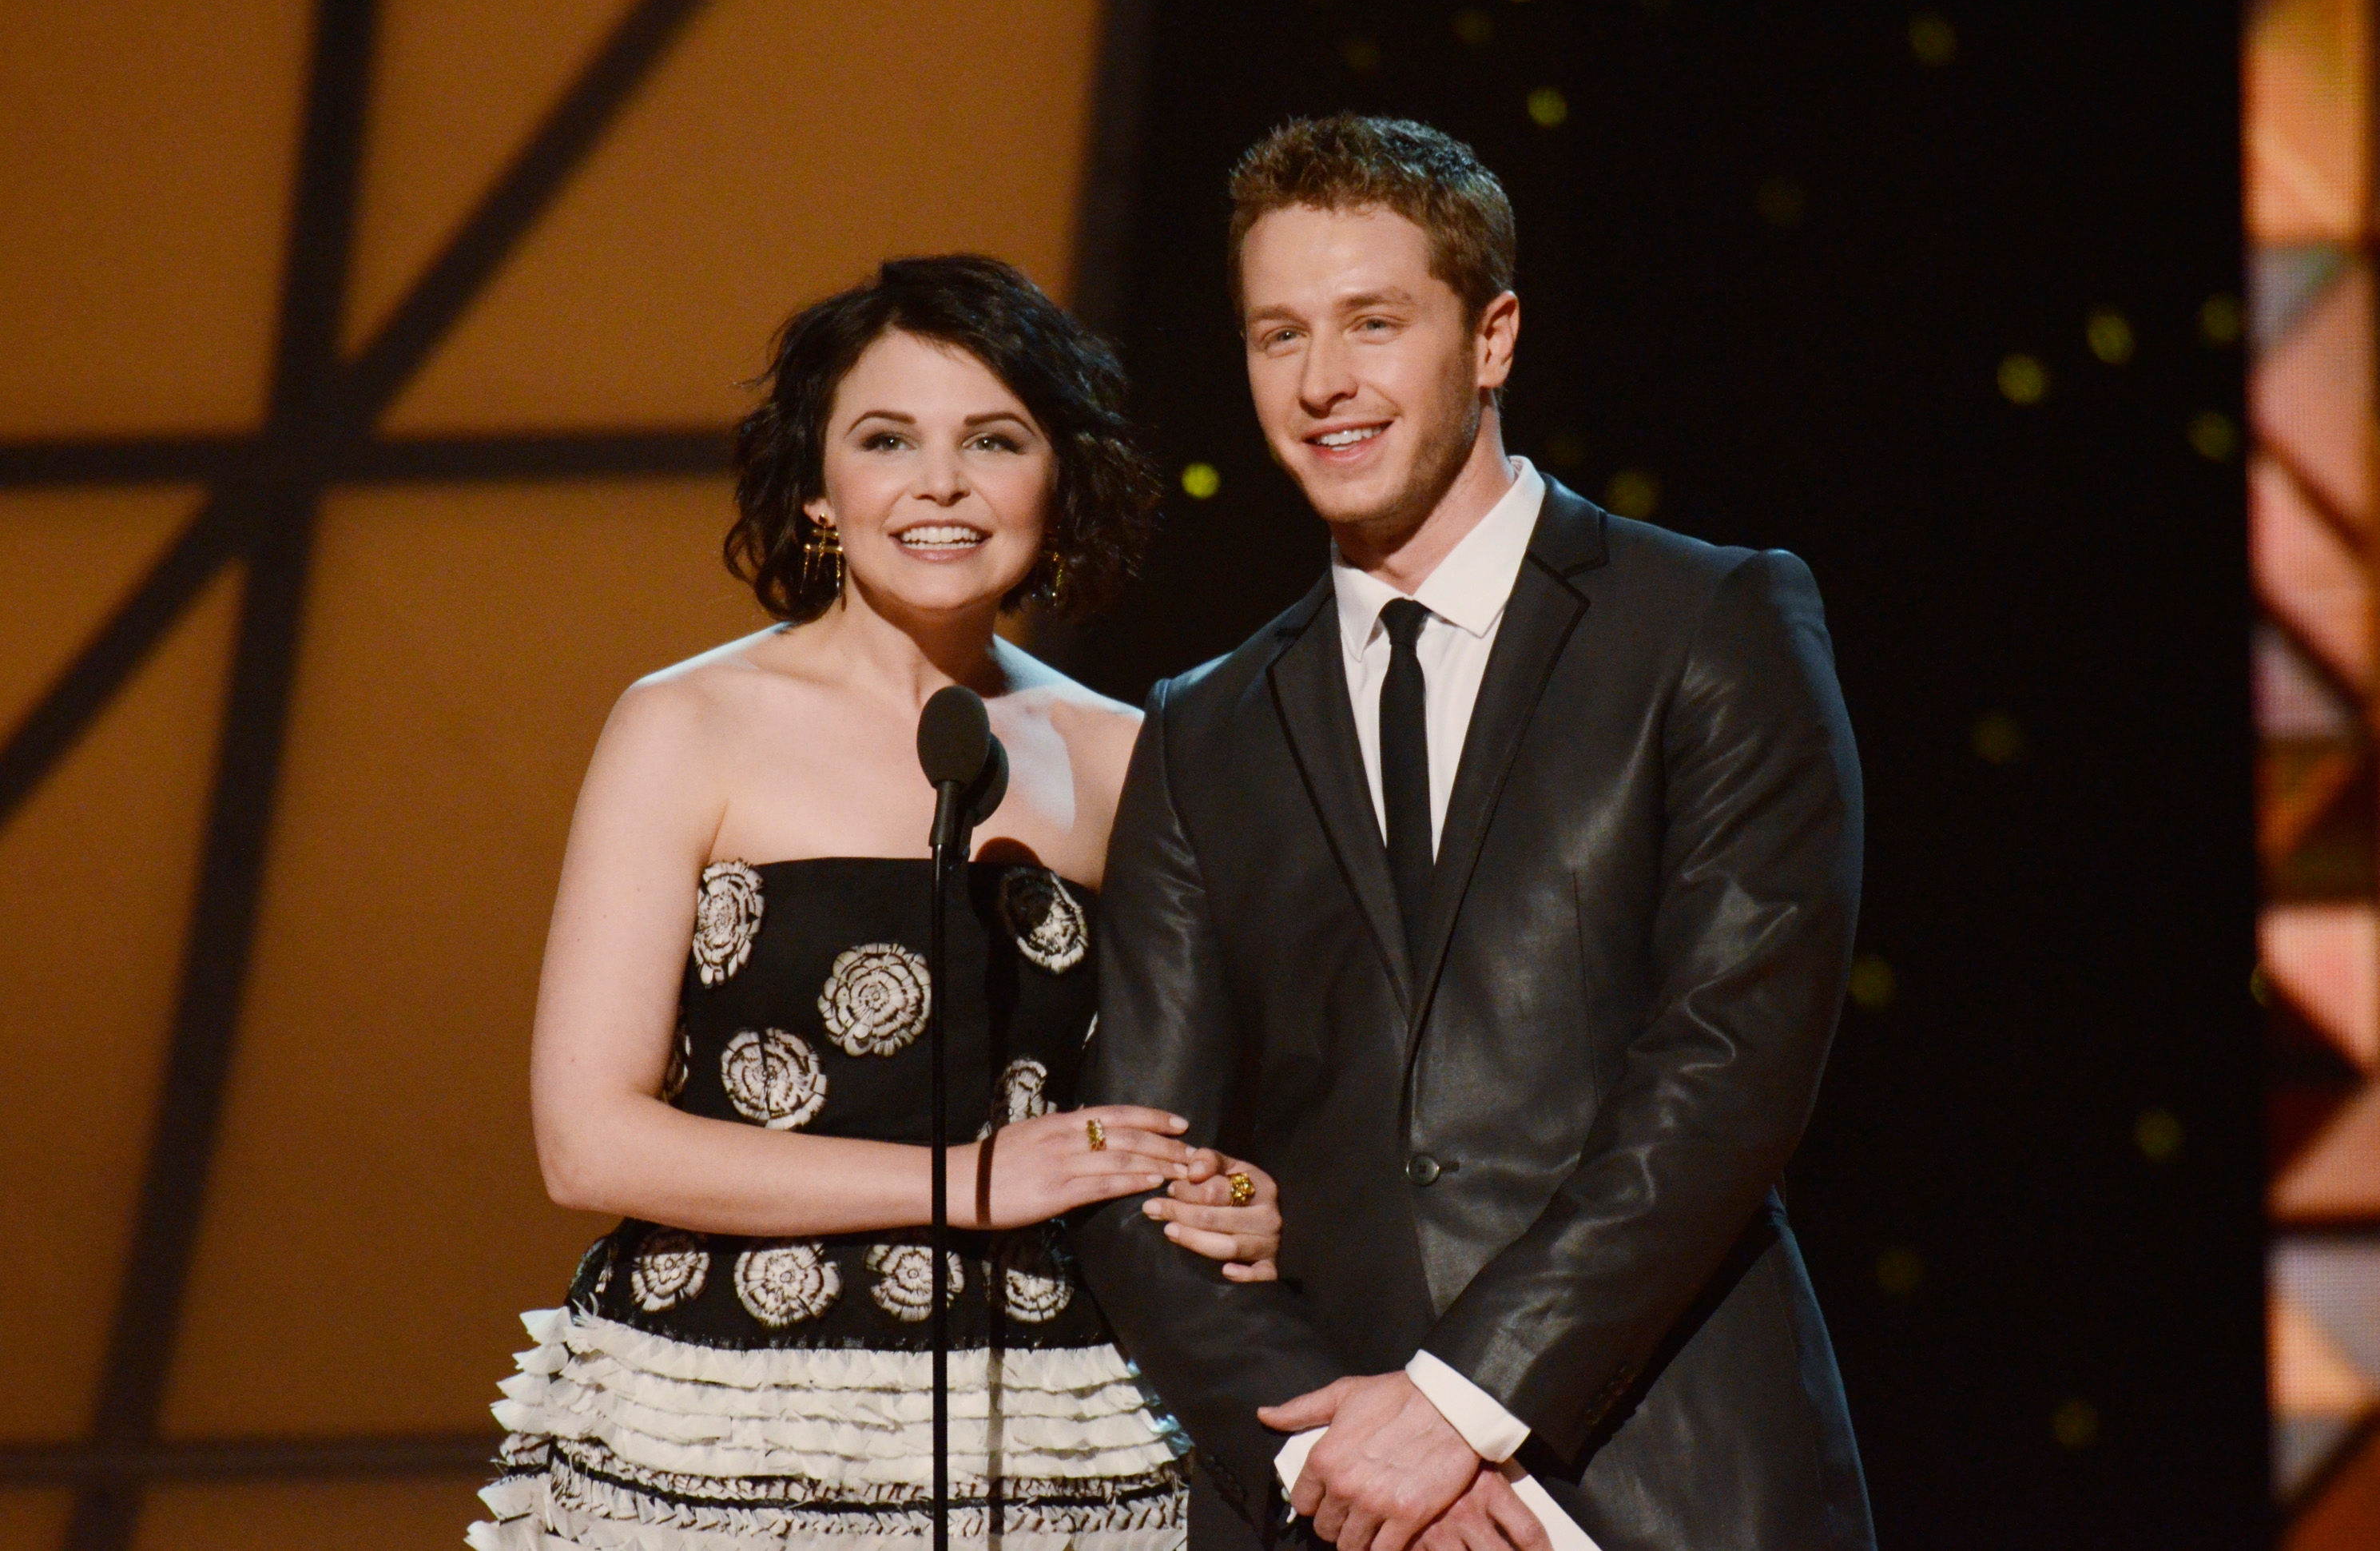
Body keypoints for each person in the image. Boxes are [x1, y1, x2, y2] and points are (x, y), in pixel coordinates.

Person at [1071, 115, 1873, 1551]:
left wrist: (1456, 1404)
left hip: (1666, 1464)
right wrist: (1345, 1453)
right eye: (1279, 335)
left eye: (1374, 324)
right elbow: (1142, 1166)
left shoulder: (1708, 624)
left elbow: (1733, 1061)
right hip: (1332, 1497)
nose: (1324, 383)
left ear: (1491, 338)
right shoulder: (1205, 728)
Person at [470, 255, 1284, 1551]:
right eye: (887, 438)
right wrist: (965, 1181)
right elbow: (590, 1143)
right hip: (723, 1426)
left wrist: (1234, 1190)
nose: (940, 484)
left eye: (996, 440)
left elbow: (1208, 1094)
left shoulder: (1136, 756)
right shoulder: (688, 724)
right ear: (815, 485)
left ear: (1058, 484)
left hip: (1055, 1425)